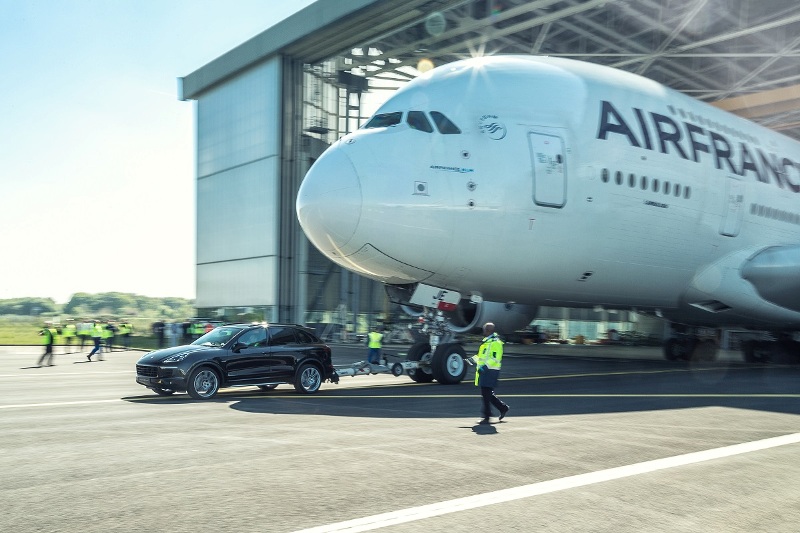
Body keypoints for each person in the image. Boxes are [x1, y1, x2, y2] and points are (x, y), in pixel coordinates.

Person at [465, 322, 509, 425]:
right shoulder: (487, 342)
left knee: (486, 394)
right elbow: (480, 356)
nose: (483, 331)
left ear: (488, 331)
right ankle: (503, 408)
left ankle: (487, 416)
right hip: (485, 371)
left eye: (485, 329)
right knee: (487, 394)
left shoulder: (495, 343)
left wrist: (484, 367)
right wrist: (469, 361)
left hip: (491, 371)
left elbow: (495, 358)